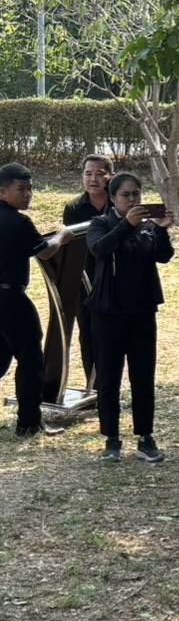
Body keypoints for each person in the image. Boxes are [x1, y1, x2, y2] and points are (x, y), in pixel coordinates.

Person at [85, 173, 175, 462]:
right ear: (113, 198)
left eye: (136, 193)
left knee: (143, 376)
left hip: (142, 310)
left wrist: (161, 229)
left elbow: (164, 256)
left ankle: (145, 436)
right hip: (108, 311)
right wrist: (127, 225)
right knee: (109, 377)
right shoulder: (101, 223)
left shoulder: (147, 227)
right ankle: (111, 438)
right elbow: (99, 249)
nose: (133, 199)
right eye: (126, 195)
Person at [0, 163, 74, 436]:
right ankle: (29, 422)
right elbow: (45, 252)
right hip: (10, 298)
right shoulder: (19, 222)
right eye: (21, 189)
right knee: (31, 358)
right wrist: (62, 236)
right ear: (2, 191)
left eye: (30, 189)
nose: (28, 194)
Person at [63, 154, 114, 387]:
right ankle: (93, 387)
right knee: (88, 332)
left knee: (114, 334)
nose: (93, 179)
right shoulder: (74, 207)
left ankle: (110, 384)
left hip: (115, 277)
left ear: (110, 176)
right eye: (88, 173)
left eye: (99, 173)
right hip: (86, 279)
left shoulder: (120, 202)